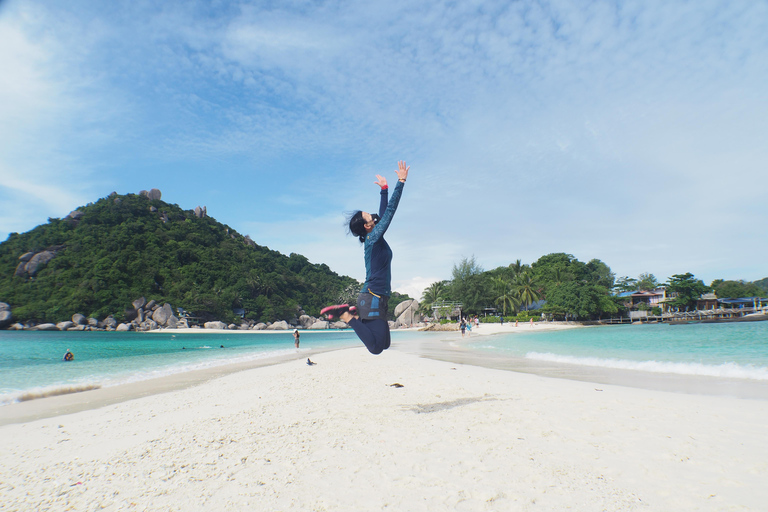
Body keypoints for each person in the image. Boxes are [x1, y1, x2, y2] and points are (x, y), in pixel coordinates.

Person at [321, 161, 410, 355]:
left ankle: (353, 315)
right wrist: (400, 182)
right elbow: (390, 214)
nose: (371, 214)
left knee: (385, 344)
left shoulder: (375, 237)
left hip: (379, 297)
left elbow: (383, 214)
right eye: (367, 216)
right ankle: (346, 316)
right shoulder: (373, 238)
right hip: (372, 297)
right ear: (367, 226)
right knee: (376, 348)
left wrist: (384, 190)